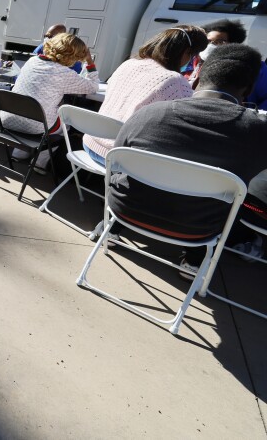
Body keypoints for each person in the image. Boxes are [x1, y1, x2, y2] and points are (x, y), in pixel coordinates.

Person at [107, 44, 267, 276]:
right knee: (239, 197)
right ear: (249, 88)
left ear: (198, 75)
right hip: (197, 229)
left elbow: (116, 161)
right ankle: (193, 261)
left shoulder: (150, 113)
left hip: (125, 209)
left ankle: (112, 229)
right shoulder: (257, 133)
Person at [82, 25, 204, 165]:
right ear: (186, 53)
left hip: (91, 142)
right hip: (119, 156)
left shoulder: (129, 64)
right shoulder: (175, 81)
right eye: (194, 56)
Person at [2, 33, 98, 135]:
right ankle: (43, 150)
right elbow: (93, 87)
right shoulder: (64, 73)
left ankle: (21, 150)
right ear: (73, 56)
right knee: (66, 126)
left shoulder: (32, 61)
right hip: (36, 127)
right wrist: (89, 61)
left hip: (7, 118)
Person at [181, 19, 247, 82]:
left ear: (231, 44)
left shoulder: (232, 68)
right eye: (208, 41)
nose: (211, 45)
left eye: (219, 42)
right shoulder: (188, 62)